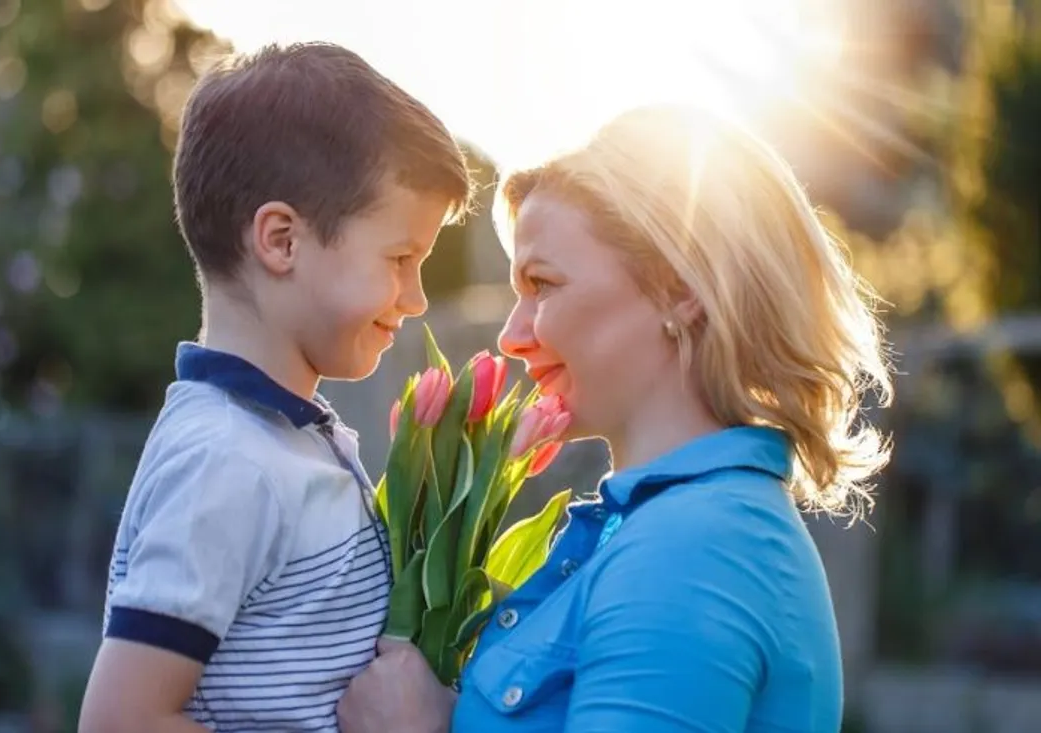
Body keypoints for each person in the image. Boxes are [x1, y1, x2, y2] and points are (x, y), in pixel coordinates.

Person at [336, 105, 893, 733]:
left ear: (680, 288)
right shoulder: (659, 530)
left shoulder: (694, 549)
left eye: (543, 284)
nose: (513, 337)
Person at [78, 42, 471, 733]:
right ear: (281, 240)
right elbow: (122, 719)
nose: (414, 299)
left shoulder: (283, 437)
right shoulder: (226, 461)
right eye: (401, 258)